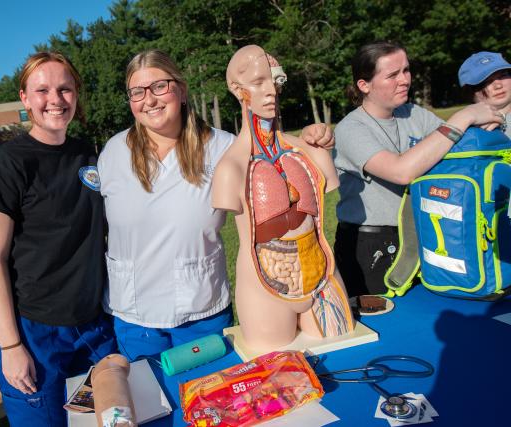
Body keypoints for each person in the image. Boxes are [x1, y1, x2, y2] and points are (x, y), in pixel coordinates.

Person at [0, 52, 115, 427]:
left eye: (65, 88)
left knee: (98, 420)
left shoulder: (89, 154)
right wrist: (11, 346)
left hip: (94, 327)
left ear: (76, 94)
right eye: (42, 90)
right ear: (24, 98)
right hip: (35, 333)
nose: (55, 99)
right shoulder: (6, 164)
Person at [333, 41, 503, 298]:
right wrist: (463, 118)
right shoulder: (350, 129)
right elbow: (401, 171)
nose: (404, 80)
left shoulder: (413, 114)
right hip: (370, 249)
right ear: (364, 85)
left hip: (422, 236)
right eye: (392, 75)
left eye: (406, 70)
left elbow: (454, 150)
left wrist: (486, 124)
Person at [212, 45, 353, 351]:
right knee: (279, 373)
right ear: (237, 90)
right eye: (259, 81)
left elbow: (328, 183)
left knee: (345, 348)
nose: (270, 91)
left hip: (322, 277)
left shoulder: (306, 150)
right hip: (264, 289)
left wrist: (321, 145)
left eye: (275, 81)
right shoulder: (231, 168)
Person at [97, 50, 235, 361]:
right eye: (137, 91)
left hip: (202, 316)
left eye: (160, 86)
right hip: (135, 318)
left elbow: (275, 166)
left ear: (182, 91)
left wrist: (310, 138)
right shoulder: (114, 152)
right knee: (152, 406)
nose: (150, 99)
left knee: (210, 403)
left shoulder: (223, 147)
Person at [459, 51, 511, 137]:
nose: (498, 86)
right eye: (486, 81)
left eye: (502, 76)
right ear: (469, 93)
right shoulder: (464, 133)